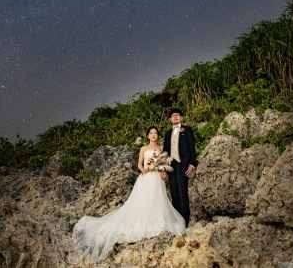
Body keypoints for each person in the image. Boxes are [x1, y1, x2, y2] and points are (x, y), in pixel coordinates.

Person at [72, 127, 186, 262]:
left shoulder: (161, 148)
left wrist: (163, 171)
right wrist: (144, 169)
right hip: (146, 177)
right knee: (144, 200)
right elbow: (139, 164)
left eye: (155, 133)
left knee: (158, 199)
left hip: (157, 179)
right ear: (147, 136)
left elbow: (164, 162)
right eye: (151, 133)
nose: (153, 135)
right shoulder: (143, 148)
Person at [161, 108, 198, 226]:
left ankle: (185, 222)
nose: (175, 117)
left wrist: (192, 164)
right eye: (173, 115)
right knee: (174, 194)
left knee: (183, 193)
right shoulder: (168, 133)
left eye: (177, 115)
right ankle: (177, 222)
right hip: (171, 166)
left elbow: (192, 148)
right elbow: (165, 151)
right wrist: (163, 168)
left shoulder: (187, 130)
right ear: (170, 119)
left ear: (181, 118)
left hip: (183, 165)